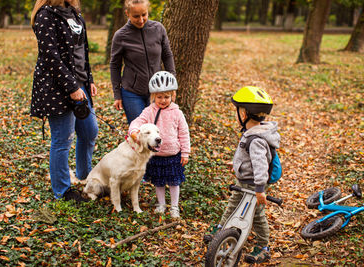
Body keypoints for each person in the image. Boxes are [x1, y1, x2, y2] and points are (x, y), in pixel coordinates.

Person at [30, 0, 98, 203]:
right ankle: (62, 191)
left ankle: (85, 176)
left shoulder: (74, 13)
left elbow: (82, 52)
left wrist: (89, 79)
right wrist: (72, 87)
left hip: (80, 84)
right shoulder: (45, 16)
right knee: (63, 139)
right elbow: (50, 56)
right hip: (56, 87)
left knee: (89, 131)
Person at [205, 86, 280, 264]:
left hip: (255, 185)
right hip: (244, 180)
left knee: (257, 215)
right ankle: (221, 229)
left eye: (237, 110)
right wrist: (238, 165)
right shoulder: (251, 133)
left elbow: (261, 165)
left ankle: (263, 247)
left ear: (244, 113)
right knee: (232, 204)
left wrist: (260, 189)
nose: (236, 114)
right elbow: (250, 159)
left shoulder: (256, 139)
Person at [128, 71, 190, 218]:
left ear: (173, 96)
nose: (163, 100)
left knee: (174, 182)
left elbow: (184, 133)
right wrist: (134, 132)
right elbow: (137, 122)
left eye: (167, 97)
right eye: (159, 97)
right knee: (159, 182)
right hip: (156, 155)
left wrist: (185, 152)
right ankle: (161, 204)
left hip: (173, 154)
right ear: (153, 96)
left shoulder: (177, 113)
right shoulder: (149, 111)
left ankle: (174, 206)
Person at [110, 0, 176, 124]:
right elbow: (115, 65)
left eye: (144, 15)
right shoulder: (121, 35)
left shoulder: (158, 29)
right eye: (136, 16)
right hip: (132, 93)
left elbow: (167, 56)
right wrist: (117, 94)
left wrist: (171, 84)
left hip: (158, 91)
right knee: (140, 132)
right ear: (127, 14)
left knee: (157, 130)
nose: (141, 20)